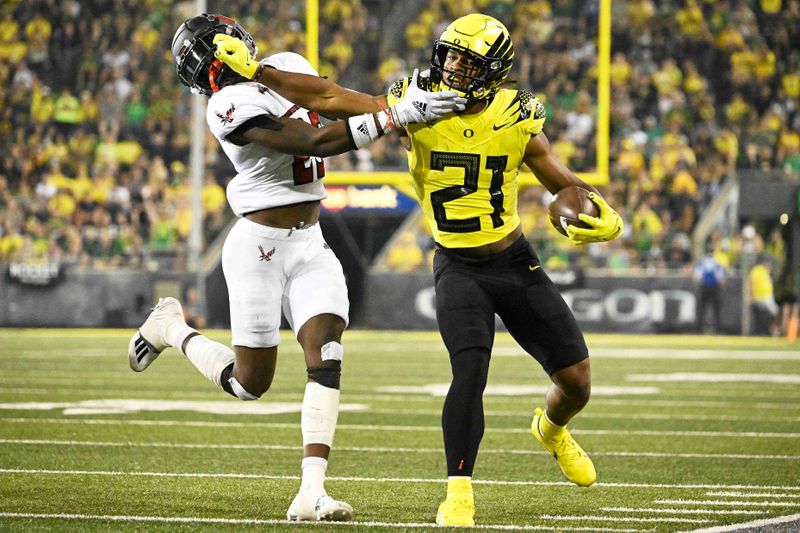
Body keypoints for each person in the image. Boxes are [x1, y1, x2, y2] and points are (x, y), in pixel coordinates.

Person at [128, 13, 464, 523]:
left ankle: (311, 493)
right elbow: (313, 141)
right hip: (257, 247)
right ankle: (171, 326)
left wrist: (395, 106)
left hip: (310, 241)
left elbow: (327, 98)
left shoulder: (282, 67)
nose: (215, 68)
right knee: (249, 384)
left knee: (326, 354)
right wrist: (394, 117)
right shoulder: (224, 107)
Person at [385, 14, 624, 526]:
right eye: (449, 54)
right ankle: (458, 492)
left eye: (466, 60)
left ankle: (552, 430)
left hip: (515, 261)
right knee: (469, 374)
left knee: (577, 380)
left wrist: (592, 205)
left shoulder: (516, 114)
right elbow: (351, 107)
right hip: (457, 264)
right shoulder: (414, 103)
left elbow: (562, 180)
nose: (451, 66)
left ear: (493, 70)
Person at [692, 249, 726, 333]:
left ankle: (699, 329)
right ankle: (718, 329)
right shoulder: (716, 262)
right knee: (716, 310)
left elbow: (696, 276)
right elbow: (721, 278)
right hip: (714, 288)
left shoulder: (702, 262)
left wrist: (698, 285)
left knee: (701, 309)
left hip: (704, 287)